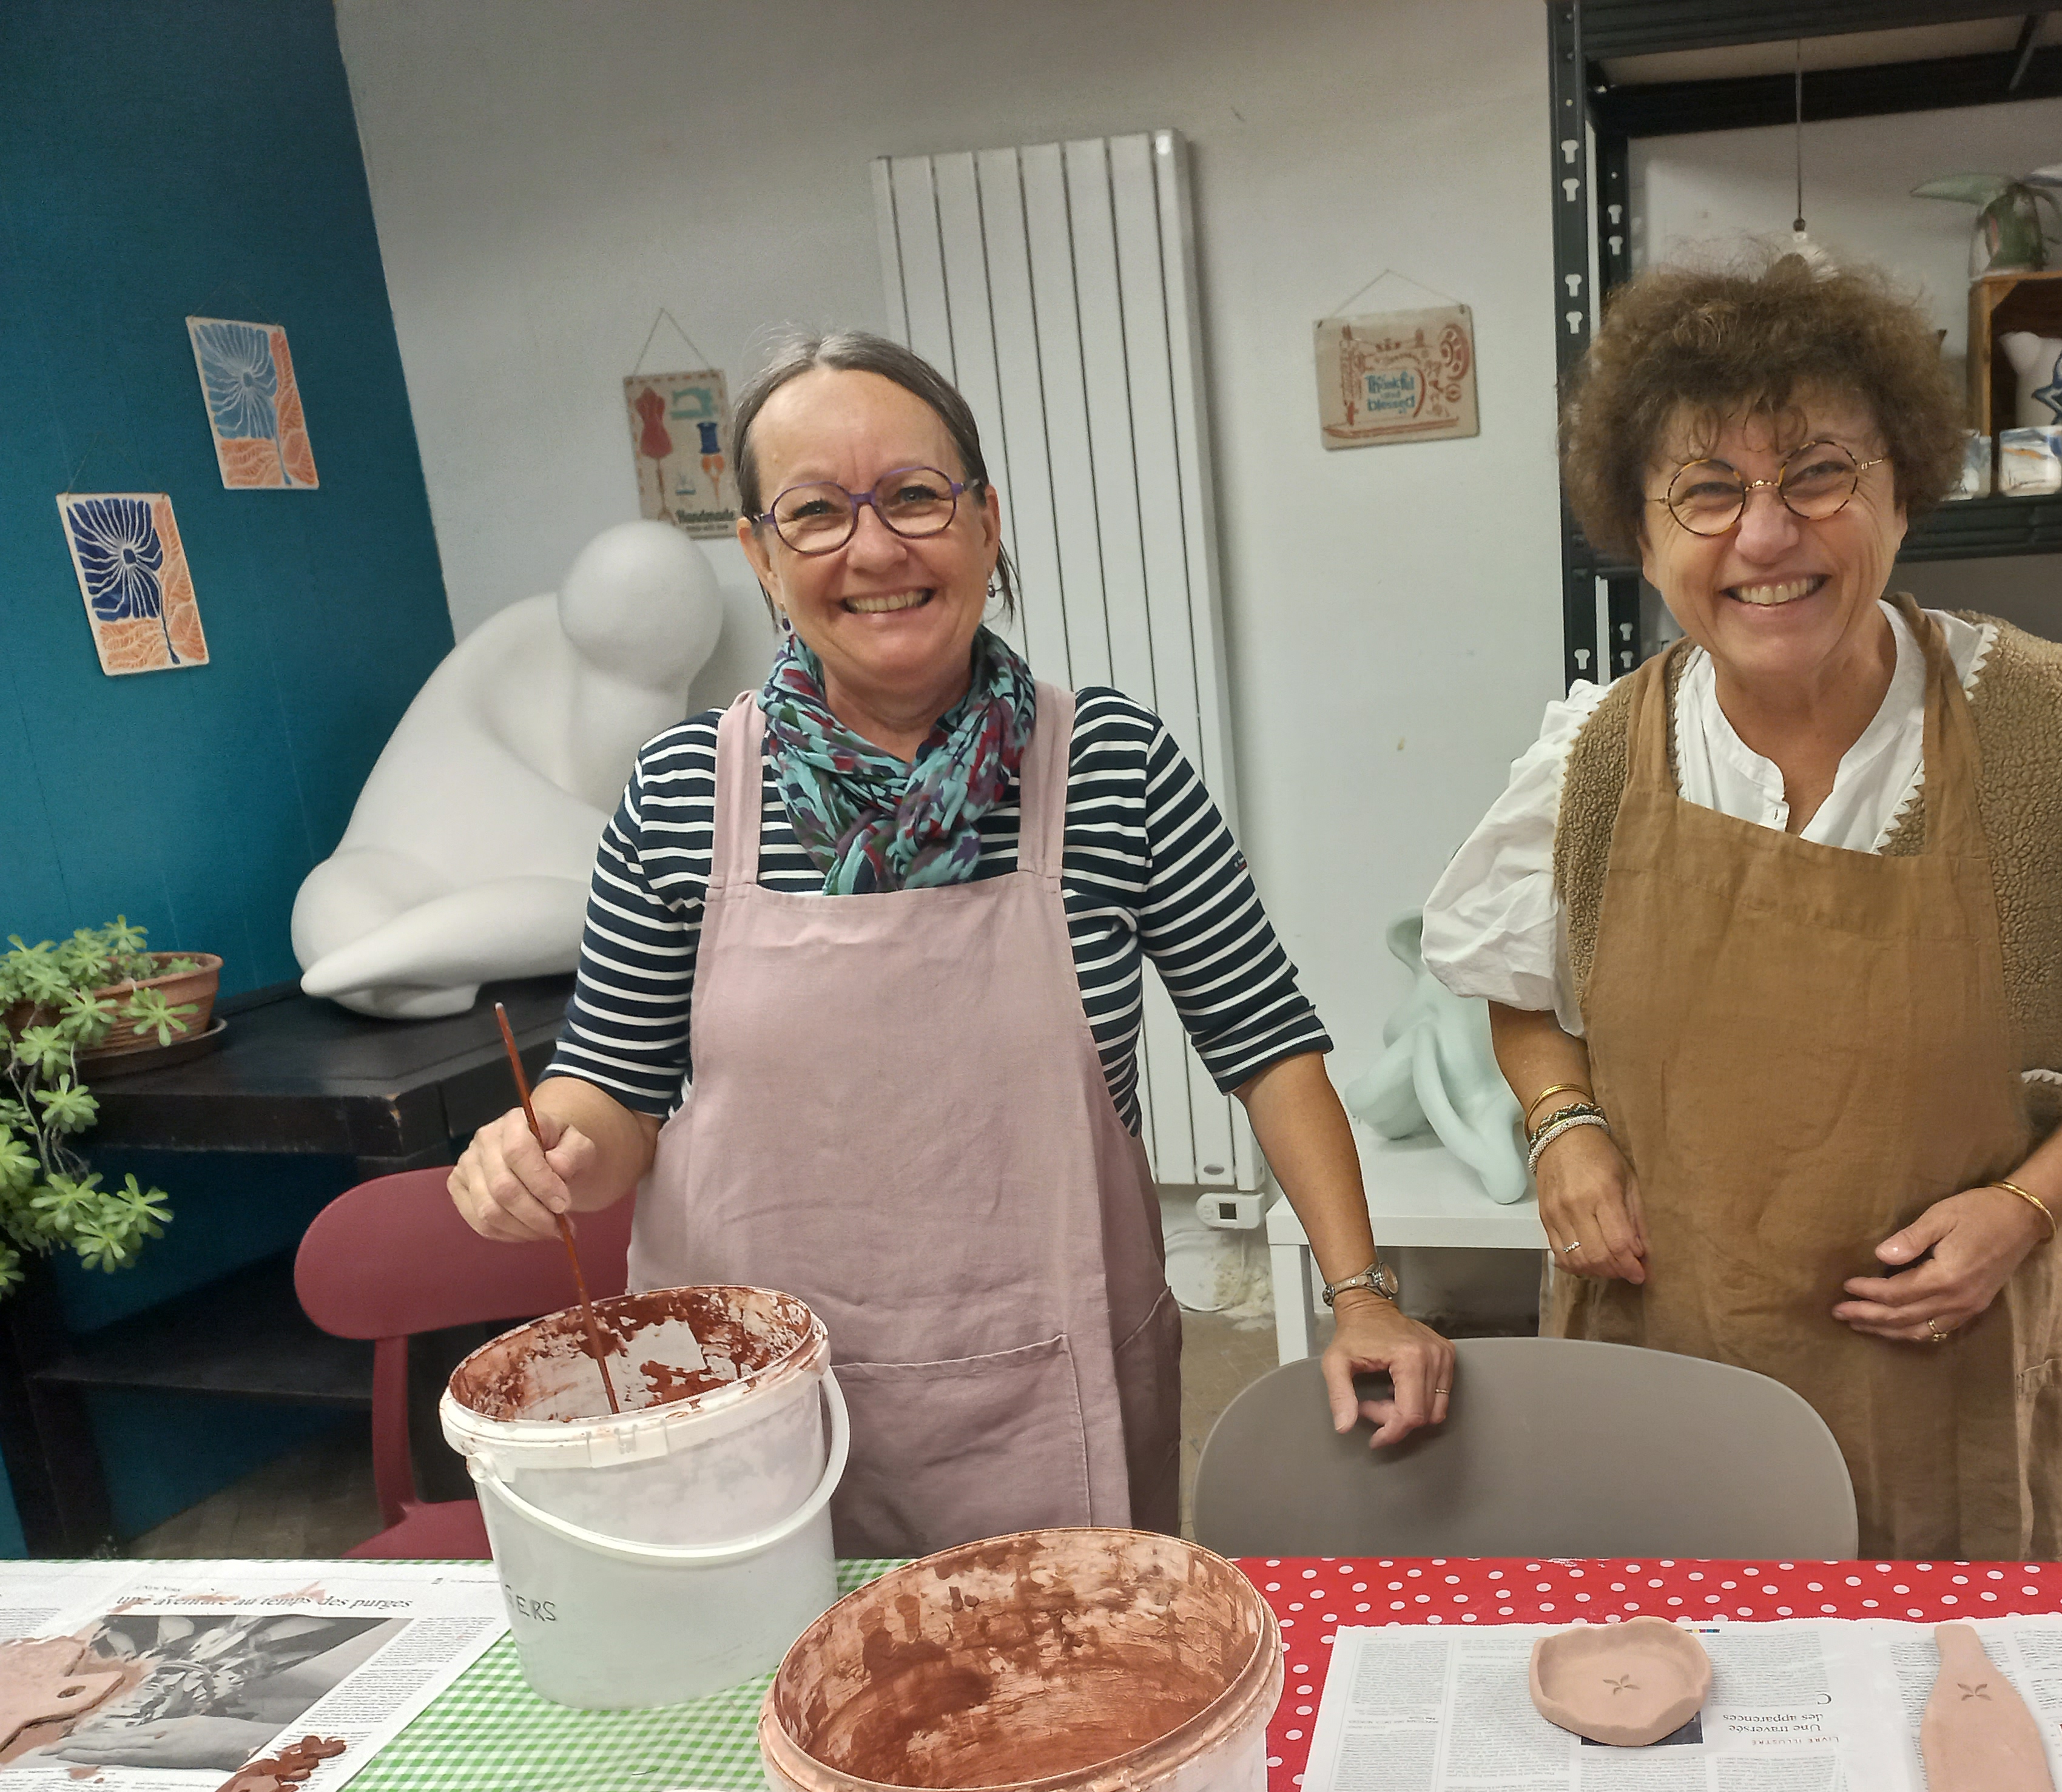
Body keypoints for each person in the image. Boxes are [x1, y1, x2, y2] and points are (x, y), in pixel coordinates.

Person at [451, 330, 1451, 1555]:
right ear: (761, 557)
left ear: (984, 522)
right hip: (746, 1409)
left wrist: (1360, 1296)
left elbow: (1267, 1044)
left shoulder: (1112, 768)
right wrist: (543, 1156)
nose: (875, 549)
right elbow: (613, 1094)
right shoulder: (675, 793)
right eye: (816, 513)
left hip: (1046, 1398)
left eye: (916, 497)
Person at [1423, 257, 2062, 1558]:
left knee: (1962, 1728)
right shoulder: (1593, 761)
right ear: (1642, 534)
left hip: (1960, 1380)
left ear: (1898, 493)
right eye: (1706, 492)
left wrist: (2029, 1205)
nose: (1763, 537)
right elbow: (1519, 990)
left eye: (1815, 475)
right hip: (1677, 1360)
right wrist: (1562, 1125)